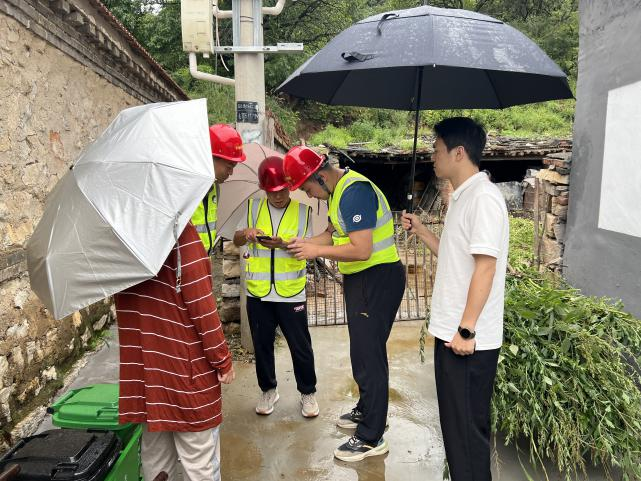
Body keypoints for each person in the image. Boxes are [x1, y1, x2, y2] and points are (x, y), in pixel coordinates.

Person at [401, 117, 508, 481]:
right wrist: (421, 230)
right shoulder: (462, 198)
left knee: (466, 436)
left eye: (437, 149)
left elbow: (485, 269)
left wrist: (466, 329)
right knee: (456, 430)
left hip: (466, 342)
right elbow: (453, 254)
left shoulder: (483, 200)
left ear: (458, 152)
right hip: (452, 335)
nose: (433, 156)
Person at [283, 146, 405, 462]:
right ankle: (367, 409)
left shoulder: (355, 192)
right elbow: (331, 234)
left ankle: (371, 436)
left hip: (376, 278)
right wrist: (305, 244)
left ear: (320, 177)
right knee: (361, 352)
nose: (309, 195)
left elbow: (361, 249)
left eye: (307, 188)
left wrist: (315, 253)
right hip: (363, 280)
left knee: (370, 356)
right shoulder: (338, 194)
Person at [114, 221, 235, 481]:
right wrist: (222, 360)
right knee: (200, 463)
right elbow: (203, 310)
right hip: (186, 373)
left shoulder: (120, 241)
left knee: (156, 463)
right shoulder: (182, 237)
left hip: (146, 375)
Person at [233, 156, 319, 418]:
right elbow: (236, 240)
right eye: (272, 192)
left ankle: (308, 393)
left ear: (289, 187)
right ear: (263, 189)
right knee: (262, 345)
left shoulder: (304, 212)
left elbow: (308, 250)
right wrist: (246, 233)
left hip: (291, 292)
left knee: (300, 346)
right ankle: (268, 390)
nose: (278, 197)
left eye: (282, 191)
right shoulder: (251, 208)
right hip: (258, 294)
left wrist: (282, 244)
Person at [192, 123, 246, 255]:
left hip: (203, 265)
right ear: (210, 158)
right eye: (229, 166)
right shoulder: (184, 188)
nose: (231, 173)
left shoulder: (215, 188)